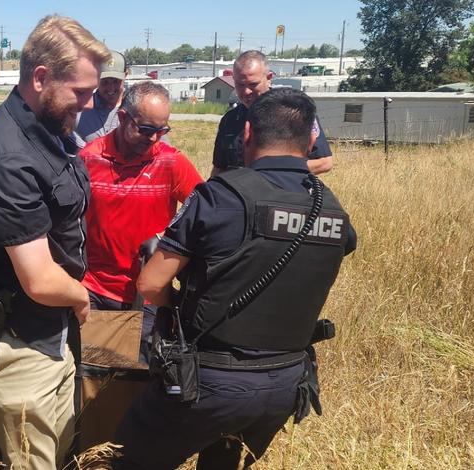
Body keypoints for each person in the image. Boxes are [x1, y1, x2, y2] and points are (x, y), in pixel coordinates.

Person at [115, 87, 357, 469]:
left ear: (246, 134)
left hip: (209, 382)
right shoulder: (330, 207)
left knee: (121, 462)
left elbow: (149, 283)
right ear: (311, 141)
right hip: (286, 382)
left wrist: (178, 307)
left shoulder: (219, 196)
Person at [0, 15, 111, 469]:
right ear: (41, 78)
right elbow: (38, 279)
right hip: (15, 341)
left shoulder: (50, 128)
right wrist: (81, 297)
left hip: (47, 330)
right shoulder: (9, 155)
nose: (89, 102)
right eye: (80, 91)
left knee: (57, 452)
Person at [79, 81, 202, 359]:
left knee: (142, 380)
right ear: (122, 118)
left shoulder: (172, 163)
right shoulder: (89, 160)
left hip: (149, 295)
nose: (155, 139)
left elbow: (205, 212)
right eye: (146, 130)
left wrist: (164, 238)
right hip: (94, 289)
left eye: (163, 130)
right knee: (93, 374)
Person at [212, 50, 333, 176]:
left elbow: (324, 162)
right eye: (240, 84)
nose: (246, 91)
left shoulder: (293, 111)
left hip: (283, 191)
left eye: (253, 84)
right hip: (238, 193)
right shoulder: (230, 120)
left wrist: (271, 173)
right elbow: (218, 169)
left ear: (269, 78)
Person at [74, 51, 129, 146]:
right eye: (105, 82)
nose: (111, 88)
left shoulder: (137, 108)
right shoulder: (80, 111)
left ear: (126, 75)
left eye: (116, 81)